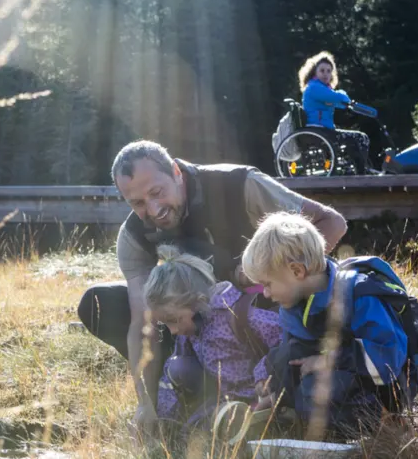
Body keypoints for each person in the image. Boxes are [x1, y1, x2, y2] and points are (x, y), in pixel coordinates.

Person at [76, 140, 348, 435]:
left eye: (157, 193)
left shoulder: (239, 184)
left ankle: (274, 388)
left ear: (177, 173)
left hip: (264, 313)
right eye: (138, 203)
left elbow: (331, 222)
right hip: (197, 326)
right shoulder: (133, 236)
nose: (153, 210)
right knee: (99, 304)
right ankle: (184, 387)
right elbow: (143, 323)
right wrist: (144, 402)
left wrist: (272, 271)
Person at [240, 212, 413, 434]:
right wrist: (276, 391)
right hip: (339, 370)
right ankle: (290, 409)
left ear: (297, 271)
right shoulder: (294, 306)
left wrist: (327, 361)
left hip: (379, 384)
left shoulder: (359, 295)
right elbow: (293, 356)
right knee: (281, 357)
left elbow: (388, 359)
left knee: (313, 391)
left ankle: (378, 424)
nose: (265, 293)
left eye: (267, 284)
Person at [143, 245, 281, 429]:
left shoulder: (236, 315)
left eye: (174, 320)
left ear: (198, 302)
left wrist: (263, 375)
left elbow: (285, 337)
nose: (173, 331)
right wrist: (163, 417)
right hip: (222, 399)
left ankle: (268, 418)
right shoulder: (190, 332)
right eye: (165, 324)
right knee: (178, 369)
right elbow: (172, 373)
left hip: (260, 395)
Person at [299, 51, 371, 173]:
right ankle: (361, 172)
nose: (326, 74)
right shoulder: (315, 87)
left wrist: (344, 103)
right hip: (319, 131)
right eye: (322, 70)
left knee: (358, 138)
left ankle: (359, 169)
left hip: (323, 130)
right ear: (314, 72)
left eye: (329, 71)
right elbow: (337, 97)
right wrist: (344, 98)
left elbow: (337, 102)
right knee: (360, 138)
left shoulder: (321, 88)